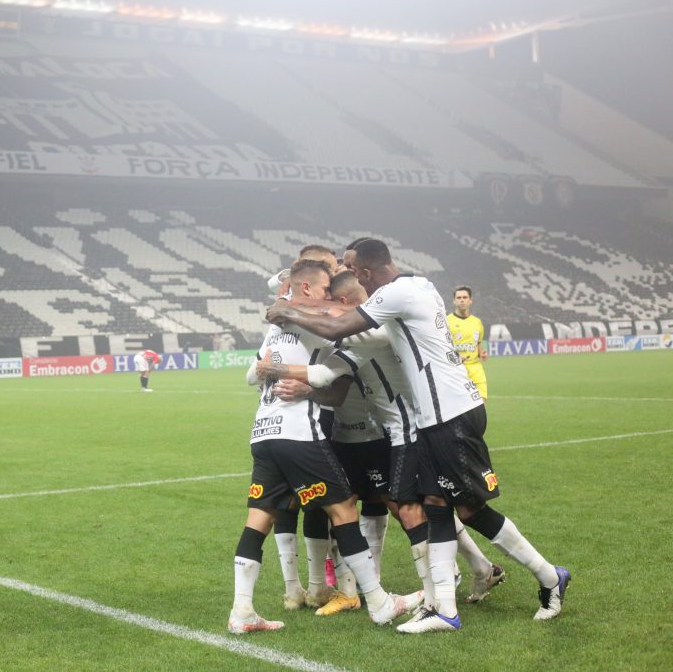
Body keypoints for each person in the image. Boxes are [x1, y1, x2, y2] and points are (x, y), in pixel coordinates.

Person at [265, 239, 569, 633]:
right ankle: (443, 607)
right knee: (435, 505)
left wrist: (288, 308)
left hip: (452, 413)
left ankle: (548, 576)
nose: (348, 271)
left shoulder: (397, 295)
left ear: (367, 273)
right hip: (432, 420)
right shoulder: (415, 287)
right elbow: (339, 320)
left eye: (352, 268)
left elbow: (340, 322)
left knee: (468, 509)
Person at [259, 271, 505, 617]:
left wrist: (283, 358)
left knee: (406, 504)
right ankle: (348, 588)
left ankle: (443, 583)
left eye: (334, 285)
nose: (328, 289)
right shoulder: (351, 318)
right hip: (350, 432)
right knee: (357, 505)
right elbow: (289, 295)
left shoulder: (366, 327)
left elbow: (333, 377)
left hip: (389, 430)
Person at [229, 259, 418, 634]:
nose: (329, 297)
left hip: (263, 432)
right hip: (300, 434)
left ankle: (242, 611)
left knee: (259, 518)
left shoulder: (276, 329)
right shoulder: (317, 327)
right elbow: (352, 339)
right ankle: (379, 602)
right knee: (344, 508)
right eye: (324, 290)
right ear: (306, 290)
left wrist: (272, 367)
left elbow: (252, 373)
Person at [448, 287, 489, 401]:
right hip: (456, 371)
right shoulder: (447, 322)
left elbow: (478, 343)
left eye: (465, 297)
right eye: (459, 297)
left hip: (476, 370)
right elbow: (441, 347)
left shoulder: (477, 322)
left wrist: (482, 353)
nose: (462, 300)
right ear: (454, 301)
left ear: (470, 300)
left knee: (481, 408)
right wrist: (455, 355)